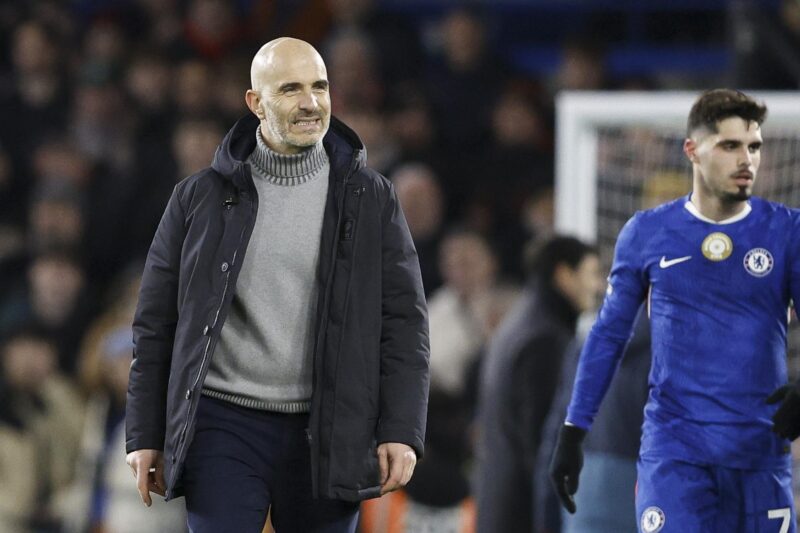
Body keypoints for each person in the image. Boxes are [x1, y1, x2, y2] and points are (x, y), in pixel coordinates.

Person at [125, 37, 430, 533]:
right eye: (291, 89)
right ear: (255, 103)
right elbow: (156, 325)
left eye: (320, 86)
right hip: (222, 425)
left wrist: (401, 428)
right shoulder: (197, 198)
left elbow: (404, 323)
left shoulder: (371, 198)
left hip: (330, 428)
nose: (311, 102)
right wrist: (144, 434)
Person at [549, 89, 800, 532]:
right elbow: (608, 336)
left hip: (759, 453)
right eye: (730, 145)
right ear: (692, 150)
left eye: (754, 146)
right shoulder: (648, 233)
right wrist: (573, 430)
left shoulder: (785, 231)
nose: (747, 160)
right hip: (675, 456)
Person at [475, 235, 603, 533]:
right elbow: (543, 442)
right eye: (592, 273)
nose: (599, 286)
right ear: (564, 275)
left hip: (501, 506)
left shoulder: (522, 322)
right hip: (524, 515)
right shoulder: (545, 339)